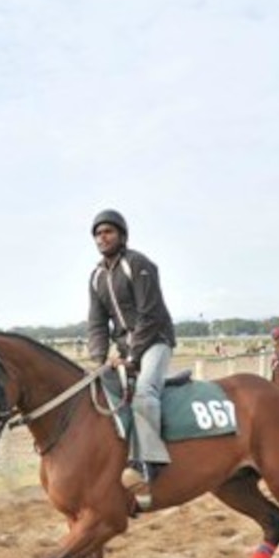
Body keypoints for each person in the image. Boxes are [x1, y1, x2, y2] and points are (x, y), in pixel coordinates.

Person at [86, 209, 176, 508]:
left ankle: (149, 463)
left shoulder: (138, 264)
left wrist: (134, 356)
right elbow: (97, 324)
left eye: (108, 232)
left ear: (122, 235)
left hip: (155, 340)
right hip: (125, 349)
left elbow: (150, 314)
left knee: (145, 392)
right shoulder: (96, 276)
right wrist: (99, 358)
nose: (103, 237)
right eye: (98, 234)